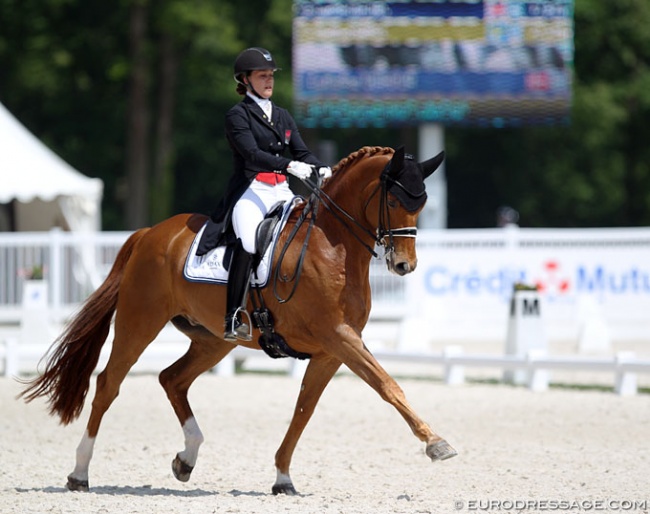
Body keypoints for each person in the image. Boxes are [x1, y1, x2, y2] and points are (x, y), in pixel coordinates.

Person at [198, 47, 331, 342]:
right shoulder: (237, 115)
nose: (269, 81)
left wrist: (321, 167)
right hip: (251, 190)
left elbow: (302, 151)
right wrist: (288, 165)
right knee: (248, 240)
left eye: (271, 76)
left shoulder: (282, 115)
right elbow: (251, 153)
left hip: (280, 191)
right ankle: (233, 314)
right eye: (262, 76)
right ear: (245, 80)